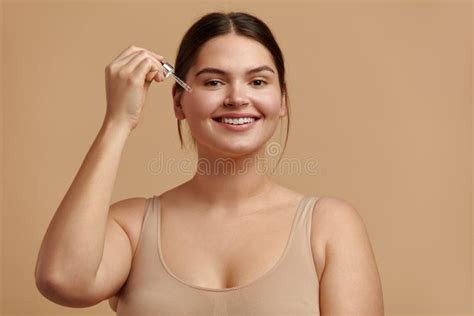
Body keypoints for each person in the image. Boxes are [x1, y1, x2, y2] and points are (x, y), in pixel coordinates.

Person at [34, 11, 384, 315]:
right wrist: (117, 122)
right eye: (214, 82)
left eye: (258, 81)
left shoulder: (330, 227)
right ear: (179, 102)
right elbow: (63, 280)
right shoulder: (132, 227)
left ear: (282, 101)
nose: (237, 98)